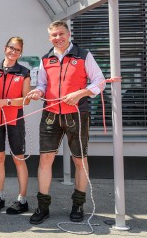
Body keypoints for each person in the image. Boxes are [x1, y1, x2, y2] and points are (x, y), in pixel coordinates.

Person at [27, 20, 105, 225]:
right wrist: (38, 91)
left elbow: (100, 81)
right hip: (51, 115)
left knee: (79, 161)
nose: (58, 38)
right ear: (49, 37)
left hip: (77, 114)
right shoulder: (46, 59)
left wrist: (81, 93)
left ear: (69, 34)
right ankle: (42, 207)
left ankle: (78, 204)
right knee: (45, 160)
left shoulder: (83, 55)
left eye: (61, 34)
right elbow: (43, 84)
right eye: (54, 35)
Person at [0, 36, 31, 214]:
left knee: (18, 159)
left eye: (17, 50)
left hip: (14, 120)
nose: (13, 52)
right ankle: (0, 197)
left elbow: (25, 100)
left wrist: (7, 102)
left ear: (20, 53)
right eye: (11, 48)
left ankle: (22, 200)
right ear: (5, 48)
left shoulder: (24, 72)